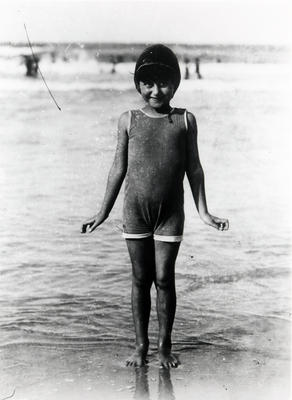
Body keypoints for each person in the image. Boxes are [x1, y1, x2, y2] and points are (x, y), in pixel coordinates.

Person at [81, 44, 229, 368]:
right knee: (139, 278)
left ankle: (163, 347)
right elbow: (117, 170)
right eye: (147, 83)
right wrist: (101, 213)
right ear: (138, 85)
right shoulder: (128, 120)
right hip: (135, 213)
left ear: (175, 84)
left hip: (170, 215)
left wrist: (204, 212)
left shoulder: (185, 120)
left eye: (163, 83)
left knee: (164, 278)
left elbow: (195, 169)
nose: (155, 90)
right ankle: (139, 347)